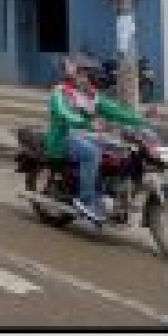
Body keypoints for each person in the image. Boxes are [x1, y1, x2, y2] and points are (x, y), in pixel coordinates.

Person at [44, 55, 150, 224]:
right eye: (84, 74)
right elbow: (63, 113)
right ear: (75, 74)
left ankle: (114, 194)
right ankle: (86, 200)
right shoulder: (61, 91)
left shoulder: (92, 95)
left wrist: (142, 120)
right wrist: (87, 122)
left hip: (86, 137)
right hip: (62, 138)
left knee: (122, 152)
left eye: (89, 75)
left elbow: (116, 111)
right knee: (91, 153)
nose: (88, 78)